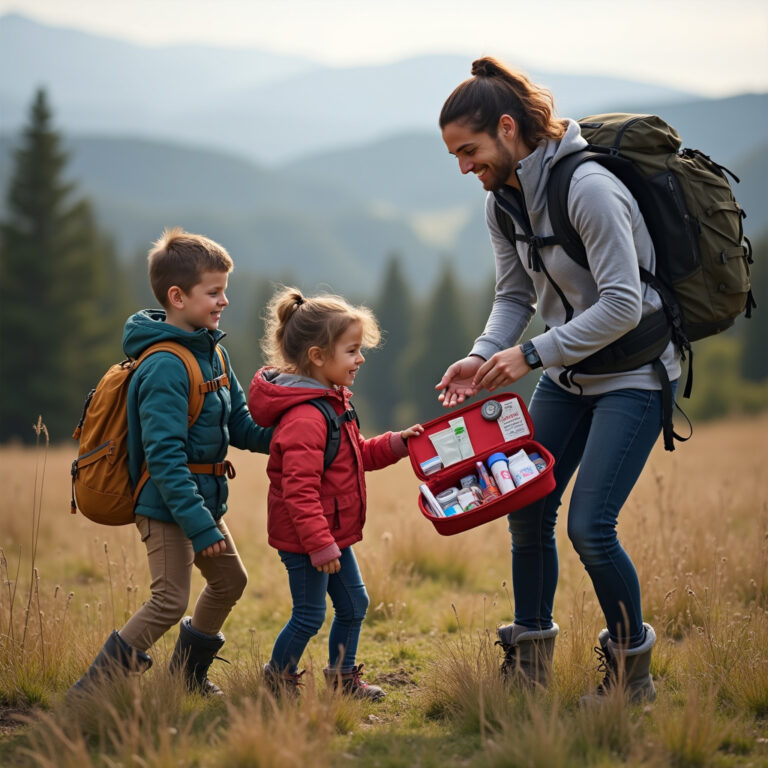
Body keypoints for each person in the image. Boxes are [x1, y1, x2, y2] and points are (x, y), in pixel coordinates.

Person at [436, 57, 681, 703]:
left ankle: (633, 679)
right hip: (568, 375)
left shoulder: (589, 189)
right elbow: (514, 294)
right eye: (455, 156)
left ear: (509, 128)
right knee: (527, 504)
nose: (465, 167)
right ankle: (530, 663)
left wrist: (533, 356)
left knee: (590, 527)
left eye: (471, 150)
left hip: (634, 375)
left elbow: (623, 303)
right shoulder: (502, 202)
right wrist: (484, 351)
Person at [70, 227, 272, 697]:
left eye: (225, 290)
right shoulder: (163, 365)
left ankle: (186, 677)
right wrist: (201, 528)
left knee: (229, 581)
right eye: (214, 292)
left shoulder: (214, 352)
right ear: (177, 297)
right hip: (165, 504)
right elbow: (164, 458)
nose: (224, 301)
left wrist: (293, 438)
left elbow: (240, 425)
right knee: (168, 600)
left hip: (200, 503)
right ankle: (91, 693)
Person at [248, 287, 423, 700]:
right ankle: (277, 681)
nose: (360, 358)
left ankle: (343, 680)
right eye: (352, 350)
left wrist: (396, 443)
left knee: (354, 605)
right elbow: (299, 492)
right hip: (309, 539)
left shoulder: (332, 403)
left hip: (331, 535)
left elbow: (356, 454)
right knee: (309, 615)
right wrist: (320, 545)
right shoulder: (306, 417)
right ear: (318, 356)